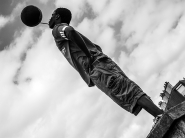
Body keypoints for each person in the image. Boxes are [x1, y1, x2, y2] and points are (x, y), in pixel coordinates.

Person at [49, 8, 163, 120]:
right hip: (99, 64)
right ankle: (159, 115)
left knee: (127, 91)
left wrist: (88, 56)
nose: (50, 18)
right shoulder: (59, 32)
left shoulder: (57, 29)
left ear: (57, 17)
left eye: (52, 15)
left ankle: (161, 115)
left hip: (97, 66)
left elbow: (69, 31)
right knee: (128, 91)